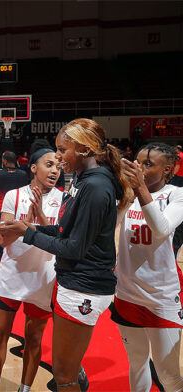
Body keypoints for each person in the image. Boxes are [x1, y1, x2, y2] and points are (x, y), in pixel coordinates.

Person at [0, 118, 131, 392]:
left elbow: (74, 248)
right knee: (65, 370)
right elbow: (63, 230)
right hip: (73, 282)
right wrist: (32, 228)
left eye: (62, 150)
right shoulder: (84, 180)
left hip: (85, 287)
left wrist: (28, 233)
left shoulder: (96, 187)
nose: (58, 158)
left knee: (64, 375)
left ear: (84, 149)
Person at [0, 148, 63, 392]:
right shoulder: (14, 196)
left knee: (33, 339)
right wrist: (27, 226)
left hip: (43, 279)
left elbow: (59, 244)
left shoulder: (64, 200)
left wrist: (32, 221)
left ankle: (25, 389)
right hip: (11, 276)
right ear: (33, 168)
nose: (55, 170)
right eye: (49, 164)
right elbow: (3, 241)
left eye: (58, 167)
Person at [114, 143, 183, 392]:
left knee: (168, 375)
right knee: (137, 364)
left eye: (147, 164)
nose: (139, 168)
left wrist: (140, 189)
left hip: (160, 298)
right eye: (137, 162)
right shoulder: (127, 195)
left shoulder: (177, 195)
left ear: (167, 169)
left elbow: (162, 228)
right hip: (126, 294)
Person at [0, 151, 29, 267]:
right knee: (19, 232)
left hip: (1, 208)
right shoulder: (23, 174)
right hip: (18, 207)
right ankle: (18, 256)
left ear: (5, 161)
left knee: (0, 233)